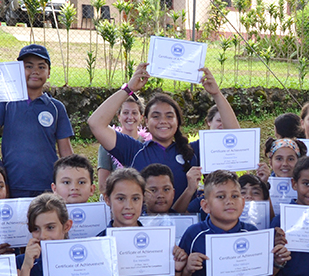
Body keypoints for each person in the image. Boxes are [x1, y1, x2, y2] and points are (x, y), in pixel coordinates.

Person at [88, 63, 239, 206]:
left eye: (169, 116)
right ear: (145, 121)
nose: (163, 121)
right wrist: (128, 89)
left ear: (178, 121)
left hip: (186, 225)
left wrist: (216, 94)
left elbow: (235, 138)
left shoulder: (194, 151)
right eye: (156, 116)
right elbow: (96, 123)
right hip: (145, 227)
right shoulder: (133, 150)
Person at [0, 44, 74, 197]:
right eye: (28, 66)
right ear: (19, 70)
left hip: (47, 185)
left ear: (49, 72)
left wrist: (71, 179)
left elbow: (65, 150)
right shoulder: (6, 102)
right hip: (13, 183)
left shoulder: (56, 107)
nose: (35, 71)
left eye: (41, 67)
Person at [97, 94, 150, 192]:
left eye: (134, 113)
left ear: (141, 117)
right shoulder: (107, 143)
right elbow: (102, 185)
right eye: (125, 112)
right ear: (119, 117)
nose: (130, 117)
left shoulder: (148, 143)